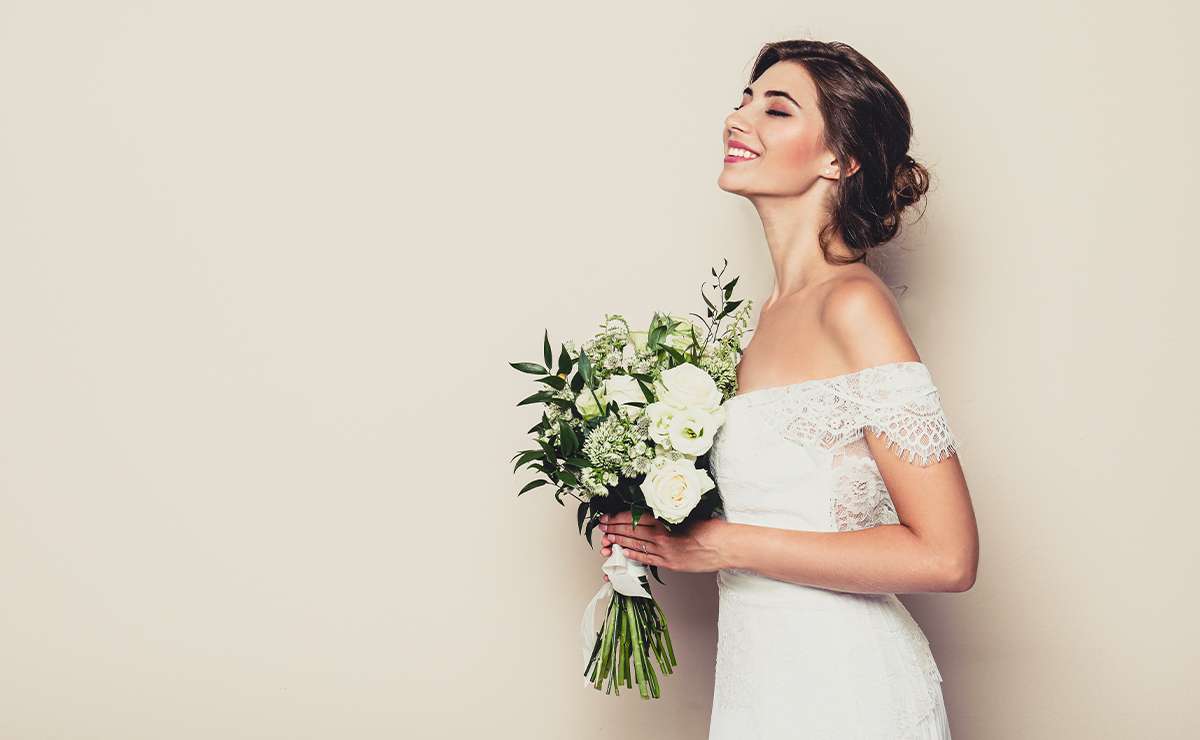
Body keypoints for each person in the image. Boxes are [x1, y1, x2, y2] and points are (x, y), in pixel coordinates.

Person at [597, 39, 978, 738]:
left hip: (848, 688)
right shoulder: (753, 324)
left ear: (840, 158)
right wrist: (652, 528)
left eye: (776, 109)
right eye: (744, 100)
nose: (739, 120)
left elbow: (947, 555)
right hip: (760, 682)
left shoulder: (853, 306)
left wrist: (724, 545)